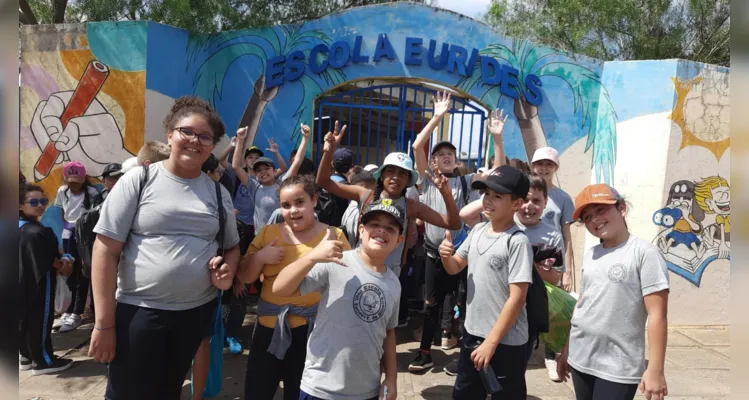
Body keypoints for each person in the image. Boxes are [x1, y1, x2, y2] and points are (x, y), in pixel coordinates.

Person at [88, 96, 240, 399]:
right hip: (139, 313)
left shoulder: (218, 193)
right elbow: (105, 250)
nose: (195, 141)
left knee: (167, 391)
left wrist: (228, 271)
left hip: (194, 314)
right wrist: (103, 325)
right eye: (187, 132)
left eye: (205, 137)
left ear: (212, 146)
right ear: (170, 133)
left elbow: (232, 248)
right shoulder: (138, 180)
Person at [409, 93, 508, 371]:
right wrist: (438, 116)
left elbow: (499, 175)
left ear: (456, 160)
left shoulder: (466, 181)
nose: (445, 156)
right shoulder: (427, 181)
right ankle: (425, 353)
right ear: (434, 162)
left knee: (466, 305)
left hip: (464, 254)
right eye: (440, 154)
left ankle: (465, 358)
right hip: (432, 252)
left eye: (449, 154)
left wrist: (498, 140)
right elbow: (418, 146)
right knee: (430, 304)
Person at [272, 198, 405, 400]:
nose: (381, 231)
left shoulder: (394, 283)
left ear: (399, 241)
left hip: (366, 390)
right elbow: (280, 288)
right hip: (320, 387)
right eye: (374, 225)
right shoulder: (336, 261)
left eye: (390, 228)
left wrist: (391, 379)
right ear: (361, 229)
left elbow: (389, 332)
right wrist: (311, 257)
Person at [238, 175, 352, 400]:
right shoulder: (268, 234)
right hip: (269, 330)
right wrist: (260, 257)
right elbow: (245, 276)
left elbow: (347, 285)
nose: (293, 210)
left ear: (314, 201)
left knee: (299, 394)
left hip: (313, 334)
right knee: (257, 391)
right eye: (286, 205)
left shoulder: (334, 235)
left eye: (300, 202)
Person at [556, 184, 669, 400]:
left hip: (619, 365)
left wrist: (655, 370)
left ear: (622, 209)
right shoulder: (592, 255)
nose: (595, 220)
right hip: (581, 357)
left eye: (601, 210)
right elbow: (583, 305)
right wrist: (567, 350)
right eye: (587, 217)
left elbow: (658, 315)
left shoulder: (644, 254)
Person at [438, 165, 533, 400]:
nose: (488, 201)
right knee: (465, 394)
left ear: (517, 204)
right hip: (473, 334)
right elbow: (455, 267)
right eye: (487, 194)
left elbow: (518, 297)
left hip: (505, 342)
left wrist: (491, 343)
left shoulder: (517, 241)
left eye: (497, 196)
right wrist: (445, 255)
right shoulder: (478, 229)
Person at [19, 183, 75, 375]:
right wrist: (65, 263)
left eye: (43, 201)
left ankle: (26, 356)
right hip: (40, 282)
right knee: (41, 321)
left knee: (23, 319)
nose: (40, 205)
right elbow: (53, 260)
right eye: (33, 202)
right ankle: (43, 361)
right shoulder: (38, 232)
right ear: (20, 205)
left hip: (19, 283)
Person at [54, 161, 100, 333]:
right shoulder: (62, 191)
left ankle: (78, 312)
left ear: (83, 178)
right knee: (70, 269)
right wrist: (68, 227)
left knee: (84, 272)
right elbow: (63, 213)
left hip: (85, 235)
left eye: (76, 180)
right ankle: (70, 309)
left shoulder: (92, 192)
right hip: (68, 233)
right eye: (70, 180)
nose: (72, 184)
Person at [530, 147, 575, 293]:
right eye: (540, 163)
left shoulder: (564, 198)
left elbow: (566, 237)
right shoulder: (524, 193)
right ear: (533, 166)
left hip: (550, 264)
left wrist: (567, 272)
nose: (544, 168)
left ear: (556, 167)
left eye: (549, 164)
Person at [232, 126, 291, 233]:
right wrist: (240, 139)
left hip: (274, 231)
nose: (263, 172)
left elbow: (284, 168)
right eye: (250, 157)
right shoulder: (252, 184)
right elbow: (235, 166)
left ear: (273, 171)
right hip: (250, 229)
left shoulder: (273, 181)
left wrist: (276, 152)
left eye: (256, 158)